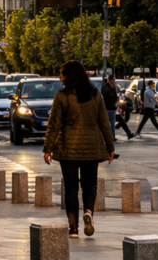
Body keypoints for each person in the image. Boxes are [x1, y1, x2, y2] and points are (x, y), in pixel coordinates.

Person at [43, 60, 115, 238]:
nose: (60, 78)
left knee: (71, 188)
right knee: (90, 184)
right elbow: (104, 122)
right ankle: (89, 212)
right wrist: (110, 147)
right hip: (92, 148)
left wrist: (48, 148)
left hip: (68, 148)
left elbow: (54, 125)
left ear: (70, 75)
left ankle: (73, 228)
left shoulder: (61, 96)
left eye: (62, 74)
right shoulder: (95, 94)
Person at [100, 75, 133, 140]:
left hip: (113, 108)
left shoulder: (113, 87)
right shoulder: (106, 87)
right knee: (111, 122)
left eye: (114, 79)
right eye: (113, 79)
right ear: (110, 80)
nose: (114, 81)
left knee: (120, 120)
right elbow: (106, 96)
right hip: (108, 108)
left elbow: (115, 96)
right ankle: (112, 137)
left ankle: (128, 133)